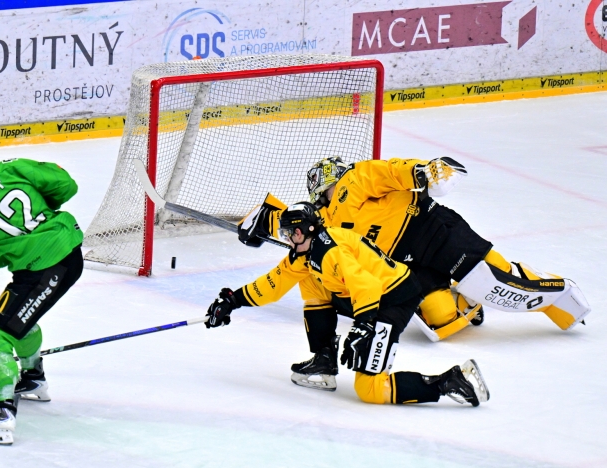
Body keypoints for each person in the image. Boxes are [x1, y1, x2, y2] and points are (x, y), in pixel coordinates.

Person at [238, 156, 590, 388]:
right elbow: (297, 225)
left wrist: (423, 171)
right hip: (409, 264)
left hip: (433, 231)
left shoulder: (353, 182)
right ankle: (470, 302)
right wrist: (260, 219)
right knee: (439, 320)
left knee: (497, 282)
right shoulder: (327, 219)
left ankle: (559, 296)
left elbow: (389, 172)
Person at [207, 202, 490, 406]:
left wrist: (364, 327)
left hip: (396, 297)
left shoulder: (330, 252)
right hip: (372, 296)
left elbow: (365, 286)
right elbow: (272, 284)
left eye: (292, 233)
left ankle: (450, 381)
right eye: (286, 235)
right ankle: (324, 360)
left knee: (369, 388)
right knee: (310, 282)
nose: (289, 240)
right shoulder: (306, 254)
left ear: (308, 229)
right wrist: (233, 301)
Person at [0, 144, 84, 445]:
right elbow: (66, 186)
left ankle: (3, 415)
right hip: (67, 250)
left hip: (43, 269)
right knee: (17, 322)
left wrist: (11, 243)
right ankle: (33, 378)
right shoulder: (9, 168)